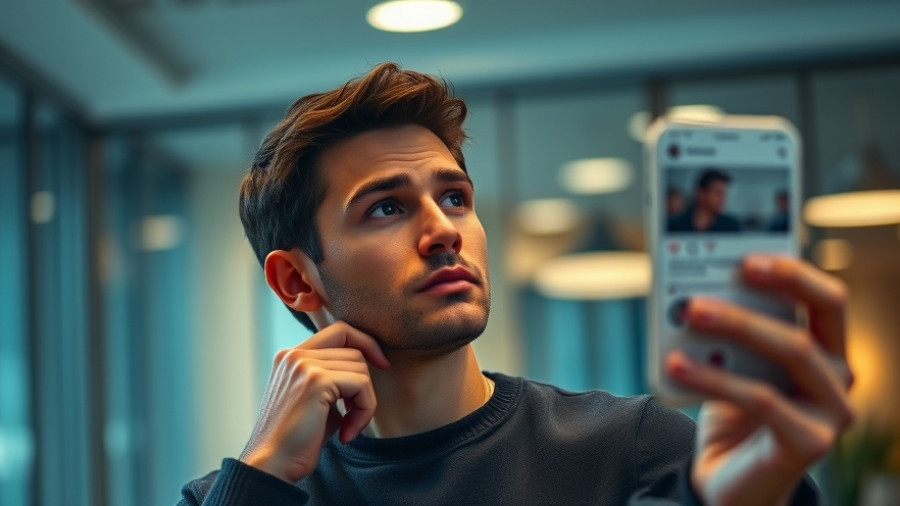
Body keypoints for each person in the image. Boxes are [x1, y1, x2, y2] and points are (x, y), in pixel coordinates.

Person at [179, 63, 854, 505]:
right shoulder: (238, 493)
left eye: (455, 198)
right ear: (297, 279)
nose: (443, 229)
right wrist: (261, 475)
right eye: (386, 207)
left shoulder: (641, 451)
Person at [668, 170, 742, 232]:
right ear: (701, 194)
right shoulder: (675, 226)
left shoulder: (731, 226)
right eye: (718, 193)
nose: (723, 199)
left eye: (724, 194)